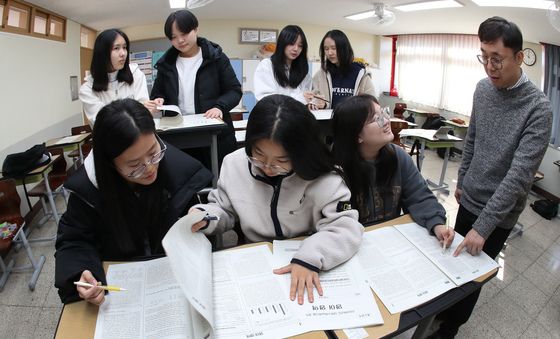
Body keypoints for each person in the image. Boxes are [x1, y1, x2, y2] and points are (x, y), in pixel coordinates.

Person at [428, 17, 552, 339]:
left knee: (473, 275)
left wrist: (483, 226)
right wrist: (463, 178)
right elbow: (473, 138)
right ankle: (443, 308)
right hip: (470, 196)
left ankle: (451, 326)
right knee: (453, 261)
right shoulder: (482, 89)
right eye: (483, 56)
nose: (489, 66)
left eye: (497, 58)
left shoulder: (538, 108)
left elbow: (519, 176)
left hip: (498, 214)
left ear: (519, 57)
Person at [189, 94, 363, 304]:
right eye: (258, 155)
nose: (269, 168)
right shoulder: (234, 163)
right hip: (254, 261)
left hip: (306, 257)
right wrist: (207, 216)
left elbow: (345, 227)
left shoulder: (325, 176)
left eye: (282, 160)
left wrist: (311, 256)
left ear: (302, 152)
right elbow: (224, 208)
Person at [54, 99, 213, 304]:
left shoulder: (178, 171)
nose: (149, 168)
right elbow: (74, 241)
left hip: (174, 279)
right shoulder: (88, 192)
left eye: (153, 153)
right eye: (134, 164)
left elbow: (194, 217)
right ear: (109, 164)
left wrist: (200, 218)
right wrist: (82, 273)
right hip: (122, 288)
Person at [331, 94, 454, 245]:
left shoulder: (399, 157)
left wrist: (437, 225)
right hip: (354, 244)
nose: (386, 121)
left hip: (391, 241)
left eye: (383, 113)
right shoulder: (336, 171)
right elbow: (334, 225)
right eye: (376, 119)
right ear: (357, 135)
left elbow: (420, 196)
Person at [150, 9, 241, 165]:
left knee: (218, 178)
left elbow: (234, 90)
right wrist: (158, 102)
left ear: (195, 29)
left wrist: (220, 107)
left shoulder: (216, 57)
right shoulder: (167, 64)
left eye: (184, 33)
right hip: (178, 133)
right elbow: (157, 95)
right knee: (187, 180)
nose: (180, 40)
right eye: (173, 37)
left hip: (213, 130)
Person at [79, 29, 162, 125]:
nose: (123, 53)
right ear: (102, 53)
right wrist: (138, 112)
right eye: (116, 48)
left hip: (140, 137)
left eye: (125, 47)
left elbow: (145, 114)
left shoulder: (136, 75)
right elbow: (104, 123)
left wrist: (151, 108)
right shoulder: (87, 90)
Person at [312, 30, 375, 110]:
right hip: (328, 121)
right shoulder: (321, 74)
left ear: (344, 48)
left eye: (334, 48)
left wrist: (360, 104)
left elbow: (373, 103)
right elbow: (313, 98)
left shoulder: (360, 74)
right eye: (326, 49)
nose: (330, 53)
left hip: (352, 121)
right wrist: (321, 104)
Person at [253, 25, 313, 105]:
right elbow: (266, 100)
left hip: (298, 115)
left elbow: (307, 96)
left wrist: (313, 102)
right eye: (291, 44)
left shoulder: (302, 71)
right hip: (275, 116)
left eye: (300, 46)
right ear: (282, 43)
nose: (296, 49)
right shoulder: (267, 65)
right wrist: (300, 98)